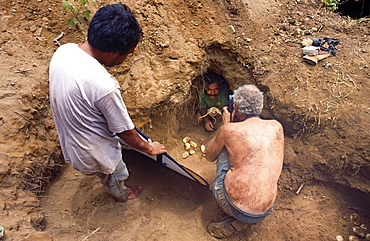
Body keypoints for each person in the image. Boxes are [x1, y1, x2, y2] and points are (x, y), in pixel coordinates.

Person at [49, 3, 166, 202]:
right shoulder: (104, 86)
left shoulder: (65, 51)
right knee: (115, 173)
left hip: (72, 141)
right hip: (94, 153)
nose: (127, 58)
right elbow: (125, 133)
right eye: (128, 53)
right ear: (113, 52)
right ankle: (121, 193)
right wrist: (150, 148)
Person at [204, 85, 284, 238]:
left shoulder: (230, 130)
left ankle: (236, 215)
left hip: (232, 206)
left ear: (234, 107)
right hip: (266, 208)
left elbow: (209, 156)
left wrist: (225, 126)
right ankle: (246, 220)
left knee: (225, 149)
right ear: (261, 107)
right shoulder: (276, 127)